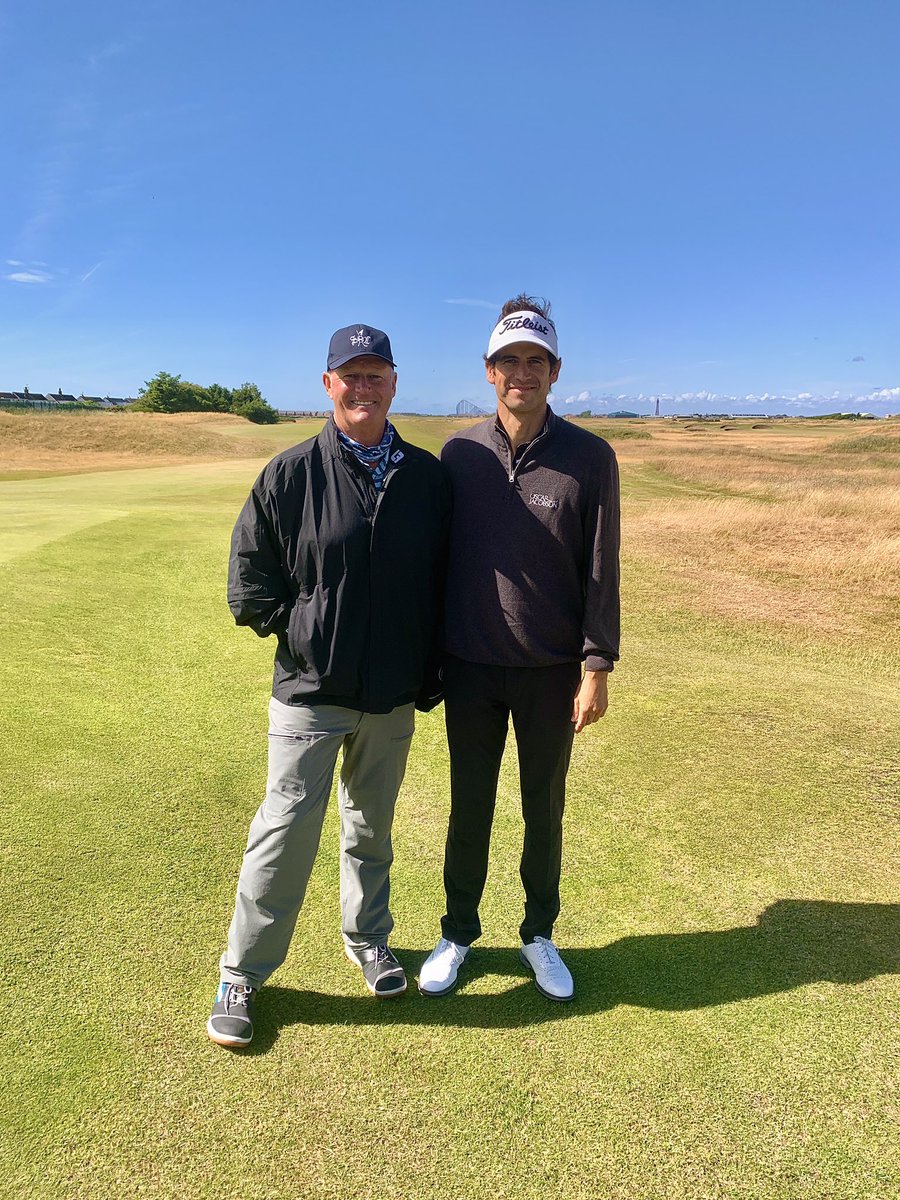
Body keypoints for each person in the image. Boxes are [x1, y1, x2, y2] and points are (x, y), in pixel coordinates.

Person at [208, 324, 450, 1047]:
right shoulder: (289, 473)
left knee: (371, 828)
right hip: (311, 692)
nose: (363, 386)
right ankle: (242, 973)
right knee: (283, 833)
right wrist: (307, 627)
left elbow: (442, 583)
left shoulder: (428, 477)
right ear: (327, 385)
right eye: (350, 375)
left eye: (376, 374)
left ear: (395, 384)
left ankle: (368, 937)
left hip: (391, 694)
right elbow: (249, 585)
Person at [419, 295, 620, 1002]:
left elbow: (601, 565)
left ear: (555, 370)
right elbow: (439, 560)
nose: (521, 373)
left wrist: (597, 665)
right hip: (470, 664)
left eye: (535, 361)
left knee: (544, 808)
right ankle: (458, 931)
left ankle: (538, 933)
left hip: (550, 670)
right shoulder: (461, 453)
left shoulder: (590, 457)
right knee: (467, 805)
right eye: (509, 360)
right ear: (489, 370)